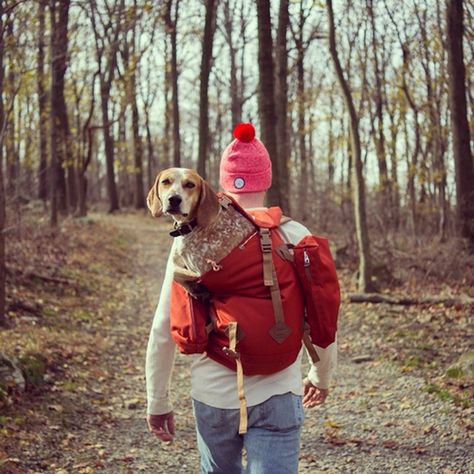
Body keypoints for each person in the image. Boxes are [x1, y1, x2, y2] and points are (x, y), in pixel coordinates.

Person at [146, 123, 338, 474]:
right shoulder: (295, 233)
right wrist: (320, 375)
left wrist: (157, 400)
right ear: (265, 181)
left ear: (218, 184)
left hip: (213, 394)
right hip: (280, 389)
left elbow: (164, 327)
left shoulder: (189, 242)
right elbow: (321, 314)